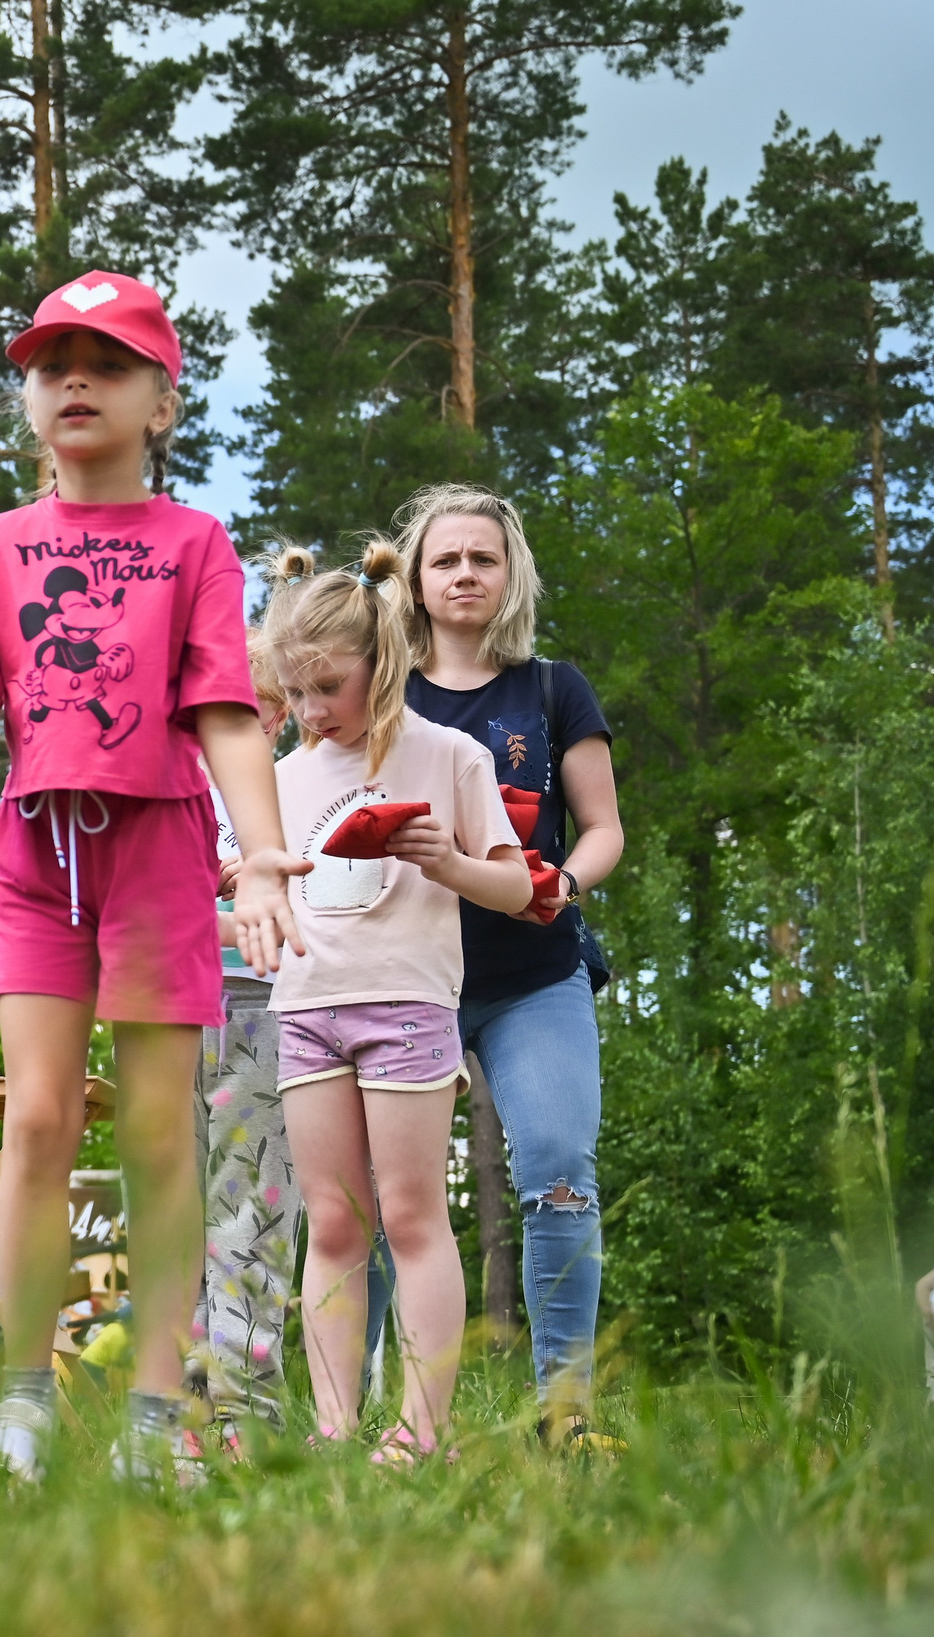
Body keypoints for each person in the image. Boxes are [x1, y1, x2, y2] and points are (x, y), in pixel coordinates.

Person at [0, 272, 305, 1486]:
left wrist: (262, 855)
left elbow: (228, 715)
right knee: (34, 1120)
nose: (73, 378)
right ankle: (20, 1405)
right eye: (49, 363)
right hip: (37, 860)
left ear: (160, 399)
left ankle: (151, 1417)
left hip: (158, 855)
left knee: (153, 1137)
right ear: (30, 398)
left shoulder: (194, 543)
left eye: (106, 359)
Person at [261, 542, 531, 1460]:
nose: (307, 711)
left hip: (408, 1008)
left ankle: (423, 1430)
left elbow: (513, 889)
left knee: (412, 1217)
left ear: (381, 666)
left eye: (327, 687)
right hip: (306, 1010)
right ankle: (336, 1428)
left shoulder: (447, 754)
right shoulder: (284, 778)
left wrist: (446, 863)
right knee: (333, 1225)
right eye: (295, 693)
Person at [397, 483, 626, 1440]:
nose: (463, 573)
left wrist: (564, 886)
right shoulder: (382, 689)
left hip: (534, 973)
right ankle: (382, 1417)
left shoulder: (553, 687)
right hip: (406, 975)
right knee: (384, 1202)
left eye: (481, 558)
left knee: (562, 1171)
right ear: (414, 577)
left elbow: (606, 829)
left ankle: (563, 1413)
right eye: (444, 558)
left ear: (510, 573)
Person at [188, 640, 297, 1450]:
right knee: (181, 1202)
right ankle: (189, 1401)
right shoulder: (183, 783)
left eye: (247, 707)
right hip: (177, 998)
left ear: (279, 713)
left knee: (250, 1204)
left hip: (261, 999)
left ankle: (245, 1410)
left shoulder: (291, 786)